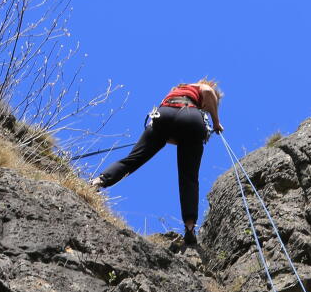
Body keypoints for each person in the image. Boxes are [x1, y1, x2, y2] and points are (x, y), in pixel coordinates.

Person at [92, 80, 224, 247]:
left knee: (134, 159)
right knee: (189, 177)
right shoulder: (201, 88)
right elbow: (208, 92)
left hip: (163, 115)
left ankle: (98, 181)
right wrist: (216, 122)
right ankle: (190, 228)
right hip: (191, 118)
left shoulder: (178, 89)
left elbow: (173, 126)